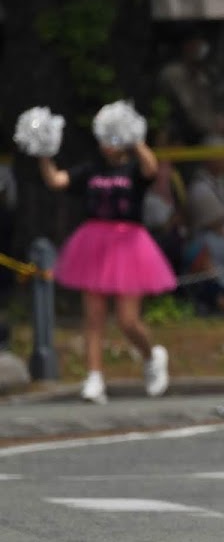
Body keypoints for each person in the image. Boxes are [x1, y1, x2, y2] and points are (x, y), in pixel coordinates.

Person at [37, 109, 175, 404]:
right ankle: (94, 377)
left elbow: (151, 168)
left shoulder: (134, 169)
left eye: (113, 137)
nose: (107, 144)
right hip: (94, 244)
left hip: (129, 245)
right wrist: (43, 154)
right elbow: (57, 181)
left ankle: (152, 356)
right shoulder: (91, 169)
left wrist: (135, 138)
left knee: (127, 320)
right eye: (104, 138)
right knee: (94, 317)